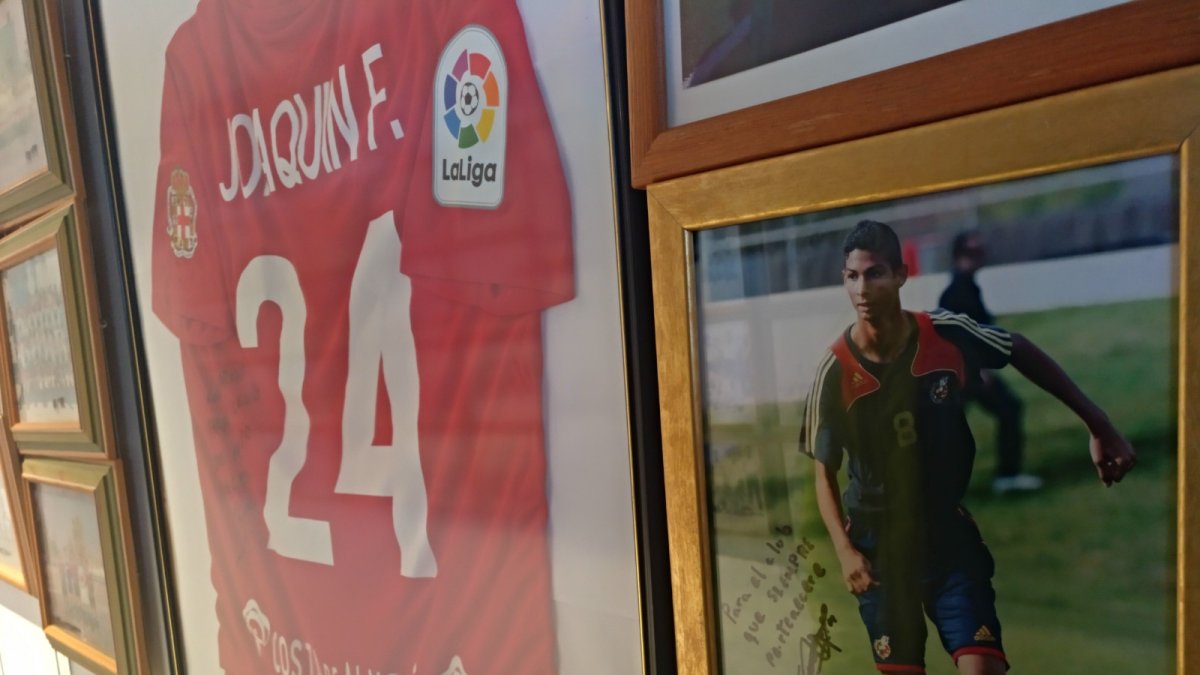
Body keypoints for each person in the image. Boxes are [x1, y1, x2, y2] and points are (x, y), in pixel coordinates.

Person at [801, 220, 1135, 674]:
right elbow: (823, 472)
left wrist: (1100, 426)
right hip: (878, 548)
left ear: (901, 275)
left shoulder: (945, 332)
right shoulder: (835, 371)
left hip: (946, 536)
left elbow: (1017, 348)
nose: (863, 288)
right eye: (852, 276)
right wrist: (844, 551)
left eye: (876, 273)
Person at [939, 231, 1043, 494]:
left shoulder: (965, 286)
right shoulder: (959, 290)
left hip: (959, 372)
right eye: (974, 252)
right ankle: (1007, 476)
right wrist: (979, 370)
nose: (981, 257)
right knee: (1009, 408)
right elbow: (955, 335)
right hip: (967, 372)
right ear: (960, 255)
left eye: (981, 252)